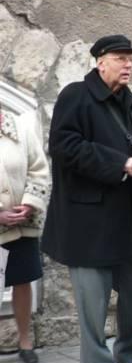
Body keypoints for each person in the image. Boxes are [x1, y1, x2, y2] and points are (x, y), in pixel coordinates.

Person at [41, 35, 132, 363]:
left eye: (130, 59)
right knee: (93, 316)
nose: (128, 64)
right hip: (89, 227)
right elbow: (64, 147)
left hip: (130, 225)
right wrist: (119, 163)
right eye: (121, 58)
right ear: (100, 62)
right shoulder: (75, 96)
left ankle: (127, 358)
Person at [0, 107, 49, 363]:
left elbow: (38, 170)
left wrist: (30, 203)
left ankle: (25, 341)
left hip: (22, 223)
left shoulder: (21, 128)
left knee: (22, 281)